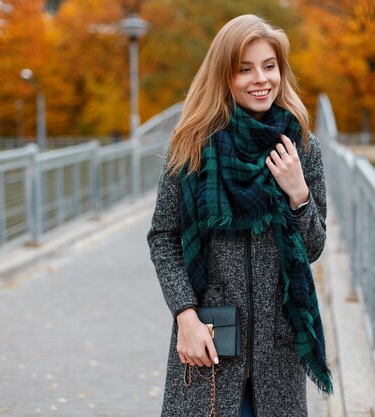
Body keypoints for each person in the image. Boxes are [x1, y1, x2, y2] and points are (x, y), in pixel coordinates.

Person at [147, 14, 332, 417]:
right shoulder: (192, 145)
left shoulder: (301, 147)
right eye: (244, 69)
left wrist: (299, 193)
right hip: (209, 337)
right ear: (223, 76)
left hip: (278, 348)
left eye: (269, 66)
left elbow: (314, 248)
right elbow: (163, 237)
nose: (260, 79)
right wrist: (185, 316)